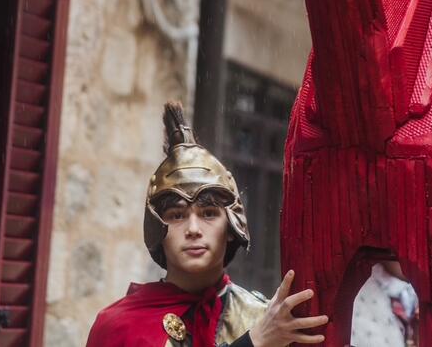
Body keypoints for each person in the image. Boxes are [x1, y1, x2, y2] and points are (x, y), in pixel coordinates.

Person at [86, 102, 329, 346]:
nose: (193, 229)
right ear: (158, 229)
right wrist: (254, 342)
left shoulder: (267, 319)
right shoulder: (118, 327)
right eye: (177, 215)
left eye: (209, 213)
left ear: (232, 227)